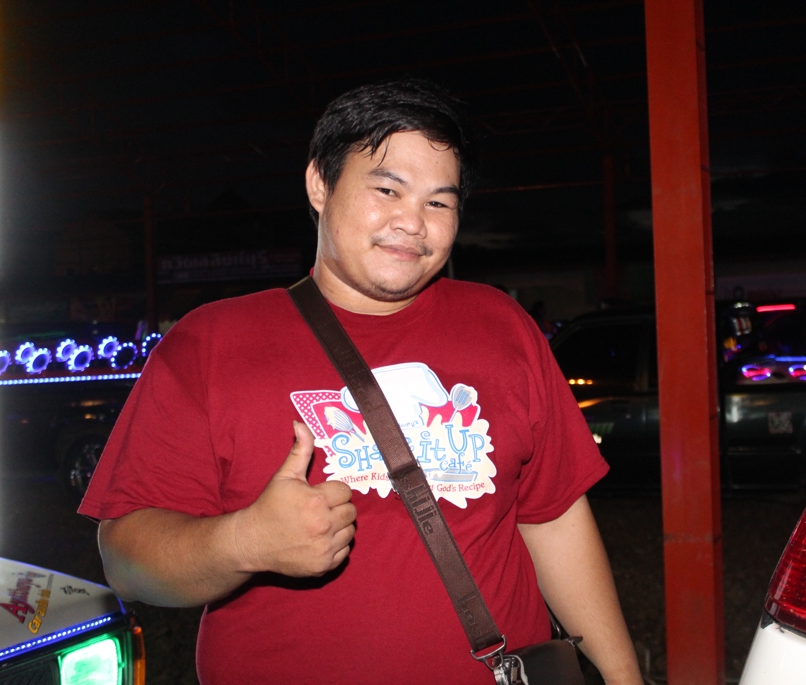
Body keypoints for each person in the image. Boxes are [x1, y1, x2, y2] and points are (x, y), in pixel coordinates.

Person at [80, 79, 642, 685]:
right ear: (320, 184)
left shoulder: (502, 326)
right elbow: (126, 562)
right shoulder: (209, 344)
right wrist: (242, 541)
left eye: (439, 203)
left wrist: (622, 676)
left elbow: (553, 517)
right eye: (387, 190)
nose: (413, 223)